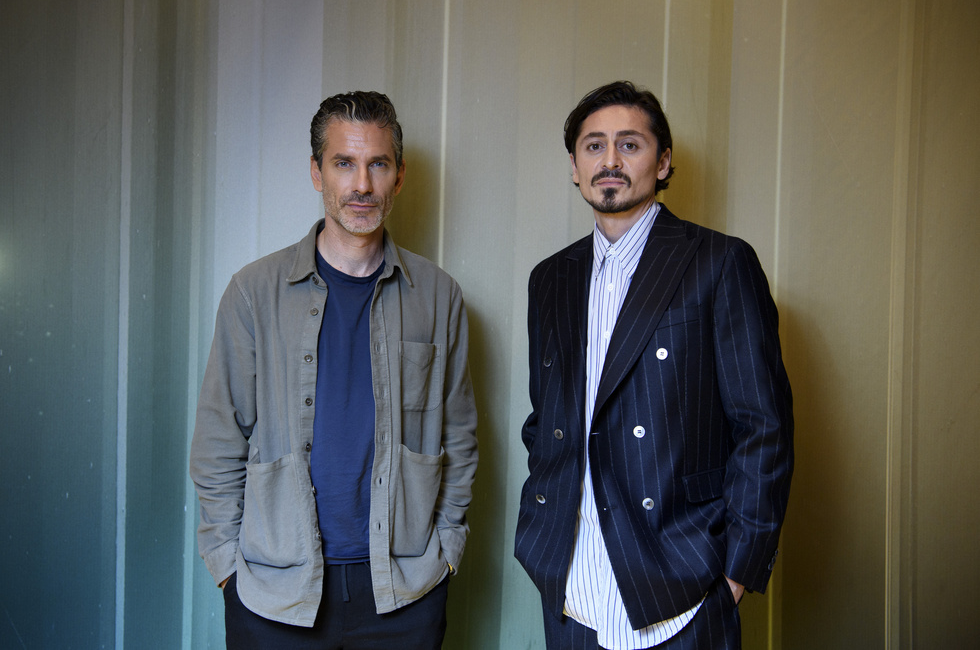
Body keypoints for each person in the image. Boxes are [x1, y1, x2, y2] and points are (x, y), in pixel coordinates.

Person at [190, 90, 478, 649]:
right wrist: (227, 565)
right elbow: (218, 438)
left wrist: (447, 550)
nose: (362, 184)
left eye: (378, 164)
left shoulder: (438, 295)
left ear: (399, 176)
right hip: (274, 594)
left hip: (406, 591)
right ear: (316, 172)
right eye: (344, 163)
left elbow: (459, 435)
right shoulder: (253, 293)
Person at [515, 80, 793, 649]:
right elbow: (547, 418)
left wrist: (736, 572)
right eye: (593, 146)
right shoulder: (550, 278)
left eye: (629, 145)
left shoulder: (719, 262)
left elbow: (763, 427)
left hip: (683, 581)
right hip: (570, 582)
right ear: (574, 167)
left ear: (662, 162)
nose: (609, 161)